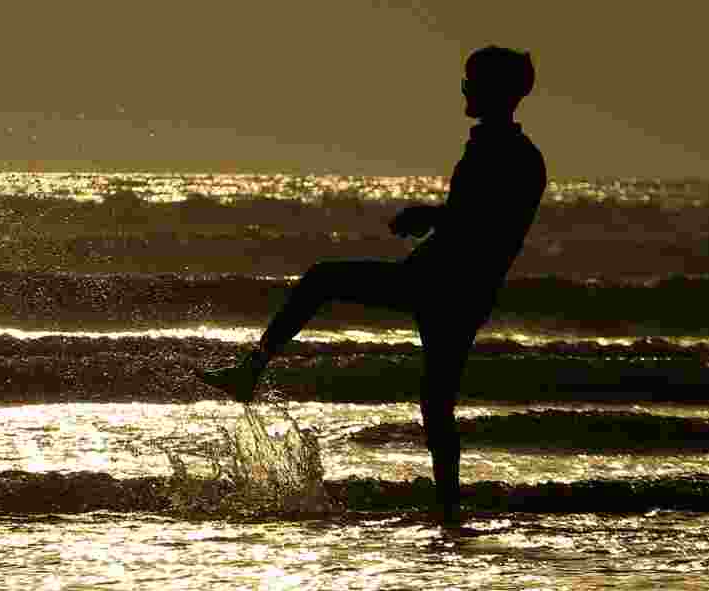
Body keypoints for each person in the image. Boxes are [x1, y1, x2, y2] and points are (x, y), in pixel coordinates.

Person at [196, 45, 547, 525]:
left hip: (445, 285)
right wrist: (438, 221)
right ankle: (448, 511)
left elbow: (489, 223)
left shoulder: (510, 154)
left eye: (471, 82)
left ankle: (252, 369)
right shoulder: (504, 149)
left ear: (495, 90)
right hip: (460, 287)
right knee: (436, 404)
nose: (464, 90)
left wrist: (430, 215)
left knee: (325, 278)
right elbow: (482, 221)